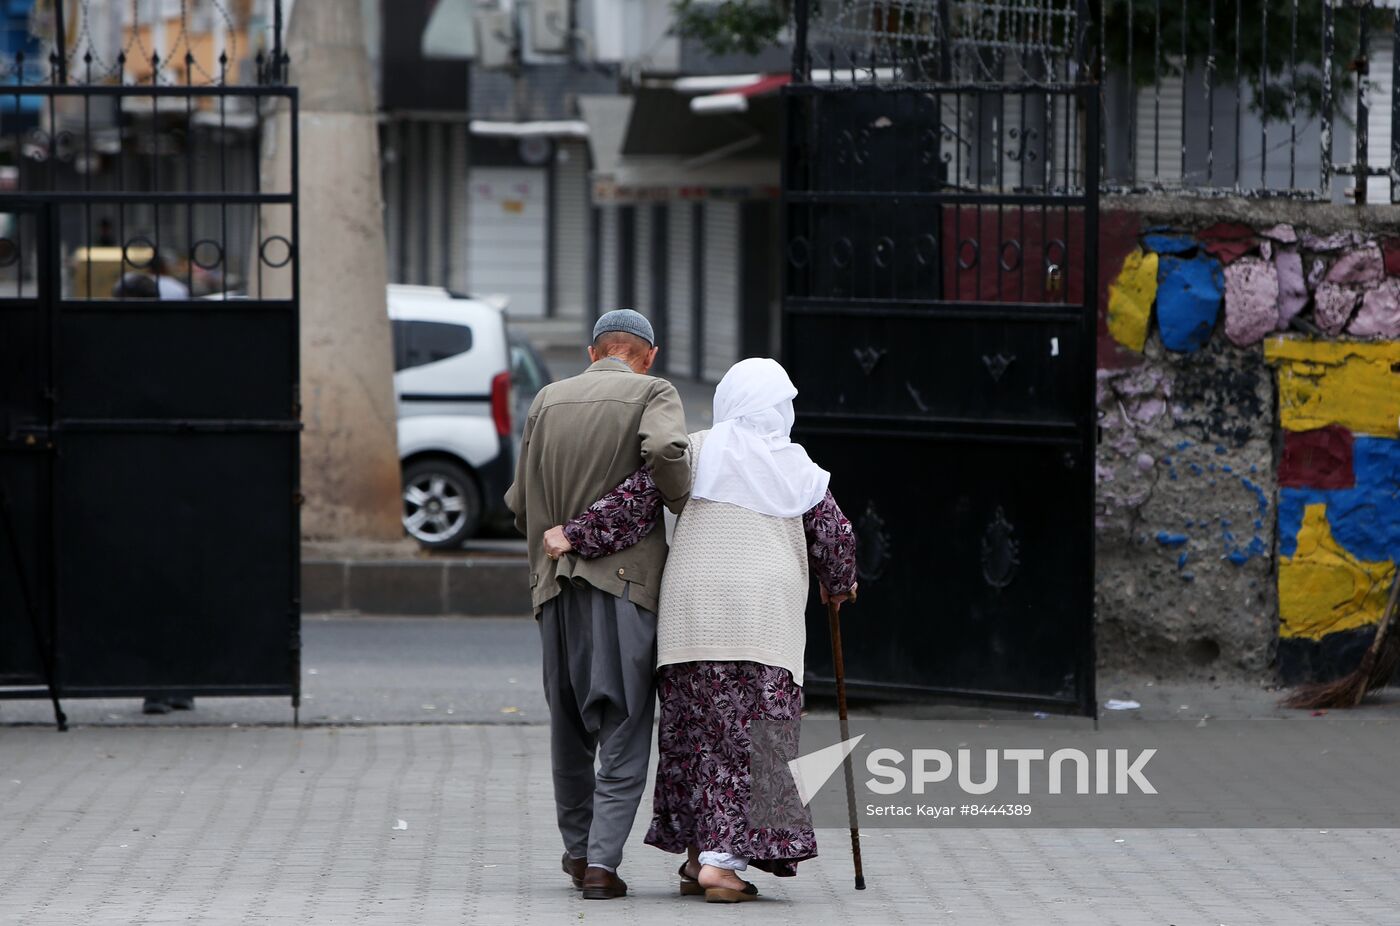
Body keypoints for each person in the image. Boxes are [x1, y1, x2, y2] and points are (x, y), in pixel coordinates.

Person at [545, 357, 858, 903]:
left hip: (691, 618)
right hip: (764, 621)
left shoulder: (697, 449)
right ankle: (721, 866)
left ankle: (697, 859)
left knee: (697, 738)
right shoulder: (799, 468)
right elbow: (836, 539)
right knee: (757, 743)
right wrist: (840, 584)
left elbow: (634, 503)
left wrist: (575, 534)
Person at [505, 309, 691, 900]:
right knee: (625, 726)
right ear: (648, 354)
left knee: (568, 727)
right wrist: (680, 498)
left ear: (593, 353)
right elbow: (665, 448)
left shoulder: (546, 401)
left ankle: (578, 848)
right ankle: (602, 867)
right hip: (625, 587)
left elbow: (518, 503)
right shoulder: (653, 391)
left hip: (553, 588)